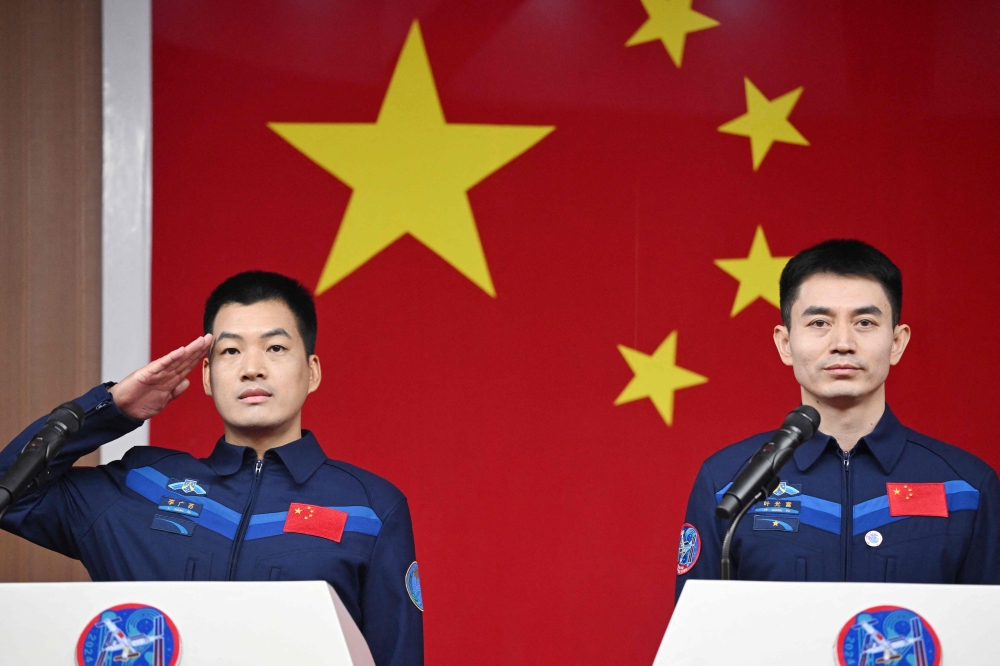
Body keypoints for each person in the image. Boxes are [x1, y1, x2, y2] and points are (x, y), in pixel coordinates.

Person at [0, 271, 423, 666]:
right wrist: (110, 409)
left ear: (311, 372)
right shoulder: (139, 487)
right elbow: (10, 491)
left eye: (275, 348)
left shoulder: (370, 510)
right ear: (206, 375)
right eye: (230, 350)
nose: (252, 367)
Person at [675, 240, 1000, 601]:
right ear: (785, 343)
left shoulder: (966, 489)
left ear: (896, 342)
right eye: (819, 322)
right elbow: (696, 642)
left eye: (864, 322)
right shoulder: (729, 483)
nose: (842, 342)